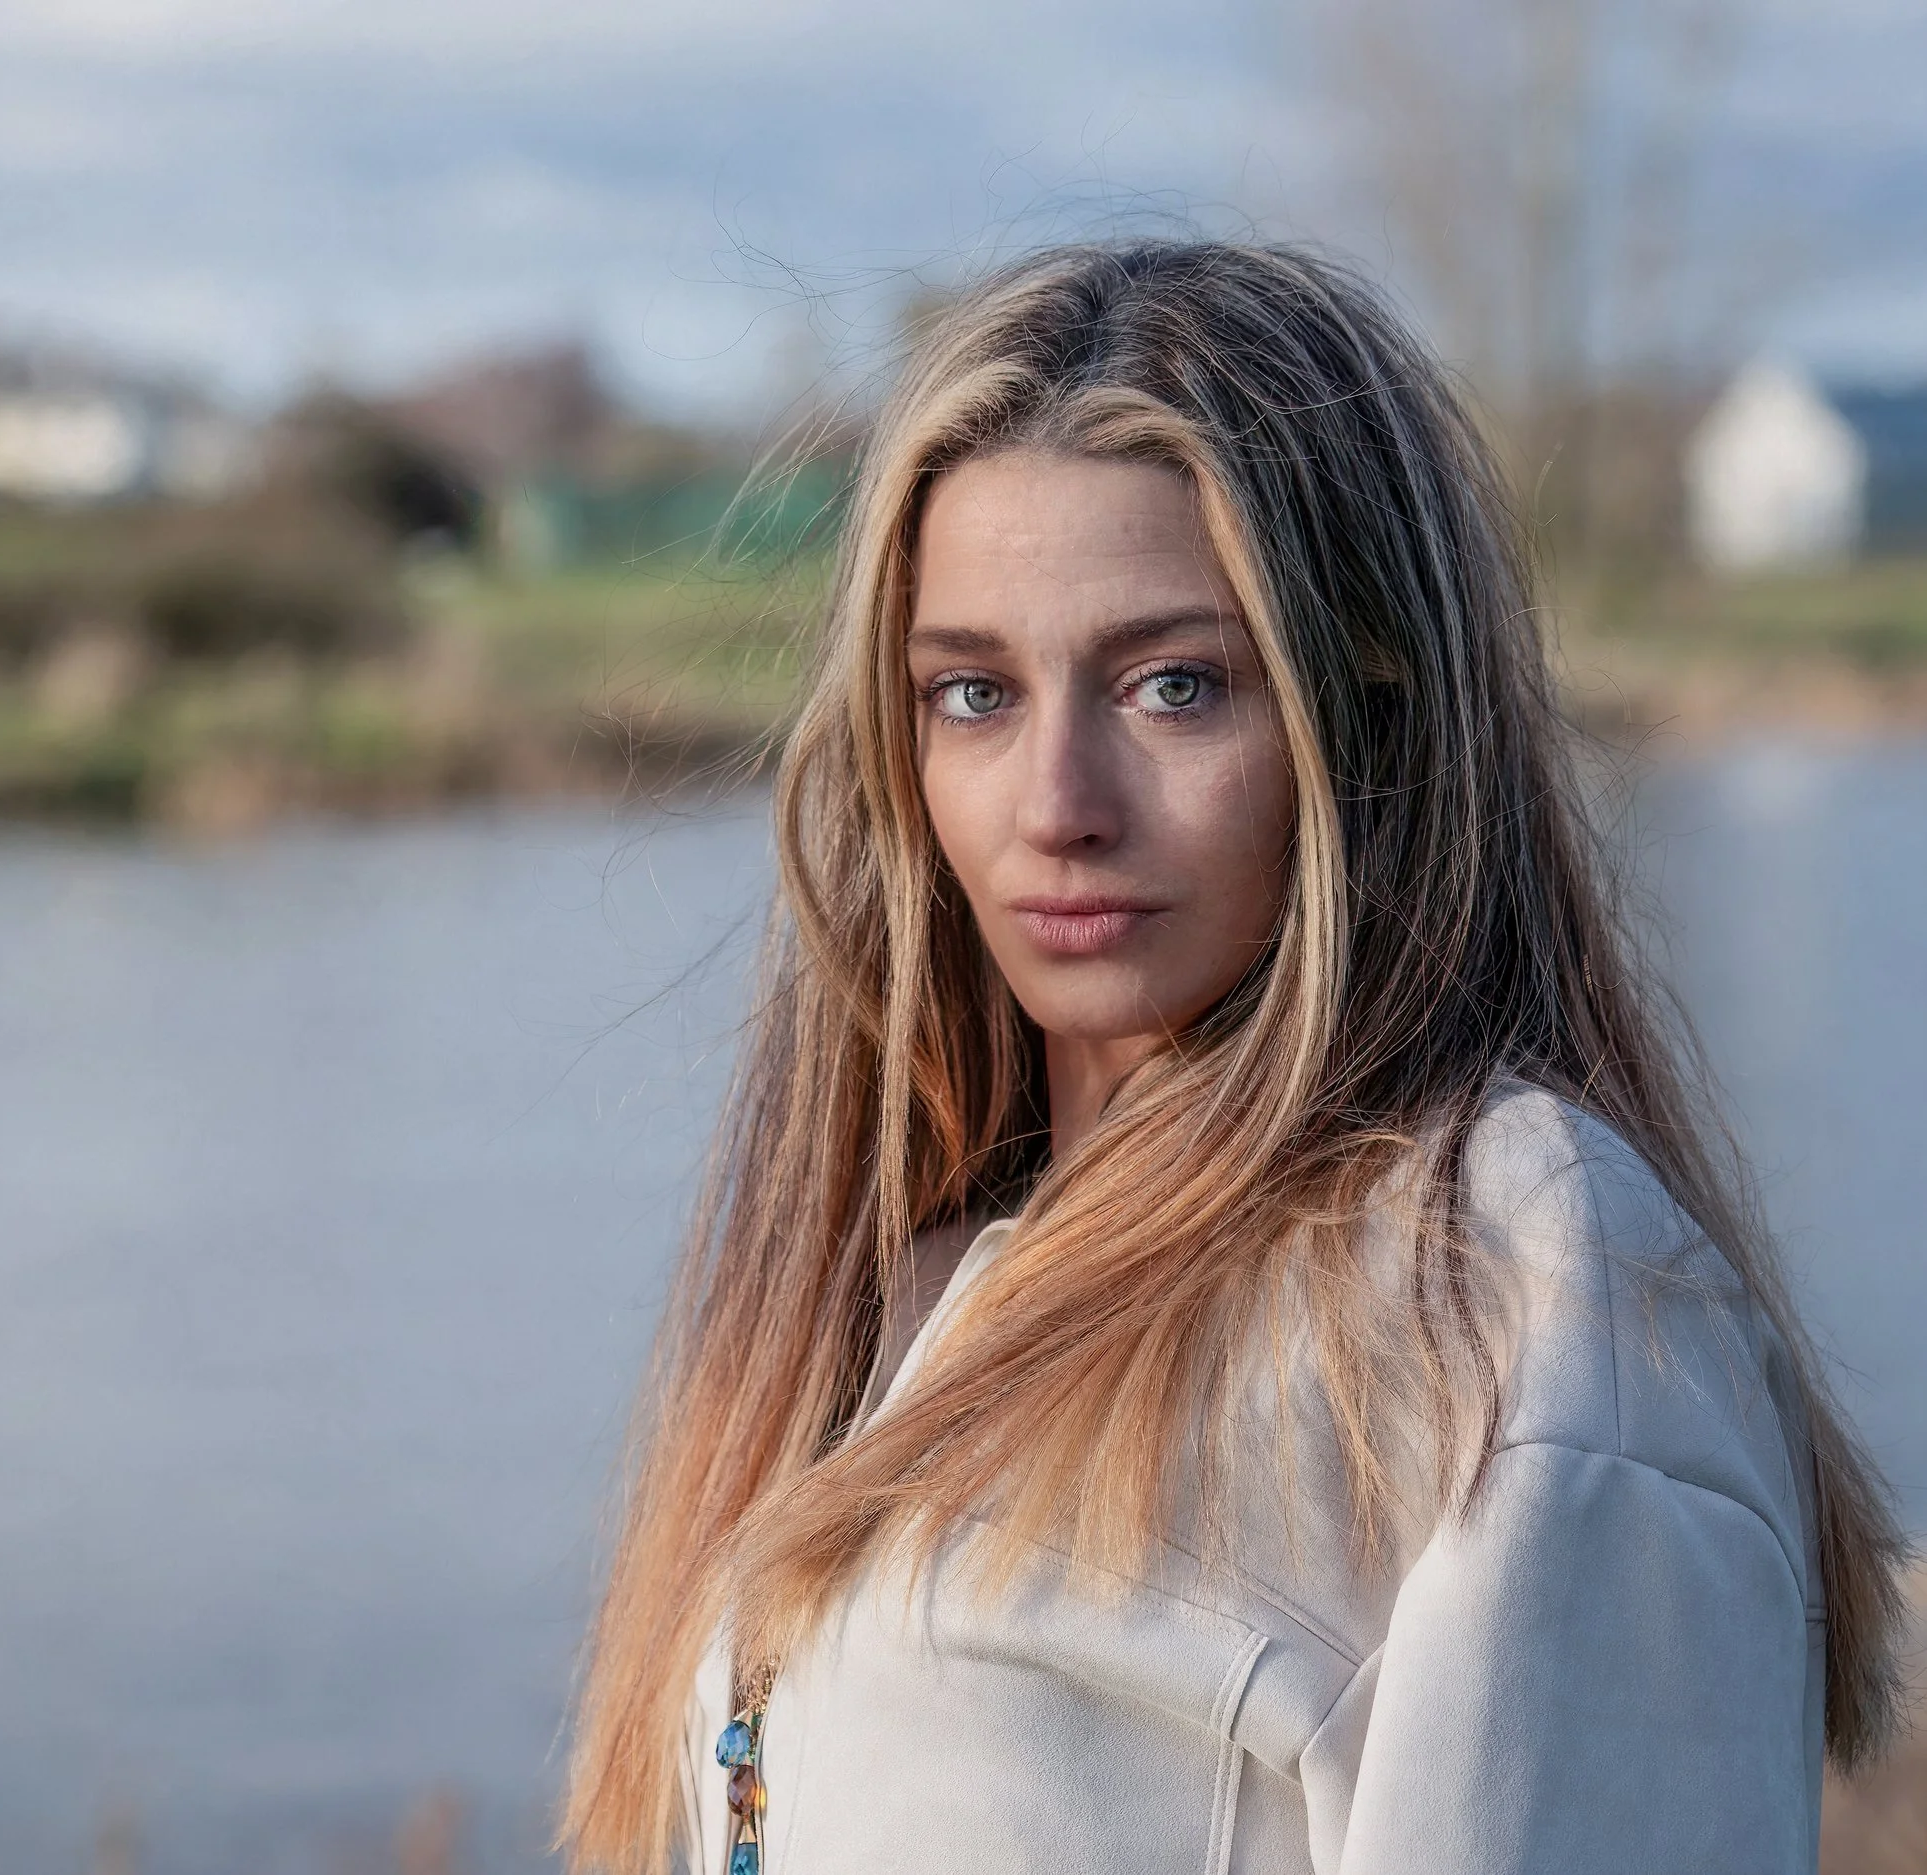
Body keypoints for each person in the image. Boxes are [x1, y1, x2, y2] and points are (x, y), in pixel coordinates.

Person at [559, 242, 1907, 1875]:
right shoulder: (909, 1281)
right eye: (974, 691)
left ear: (1375, 717)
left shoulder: (1518, 1295)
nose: (1057, 800)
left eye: (1174, 684)